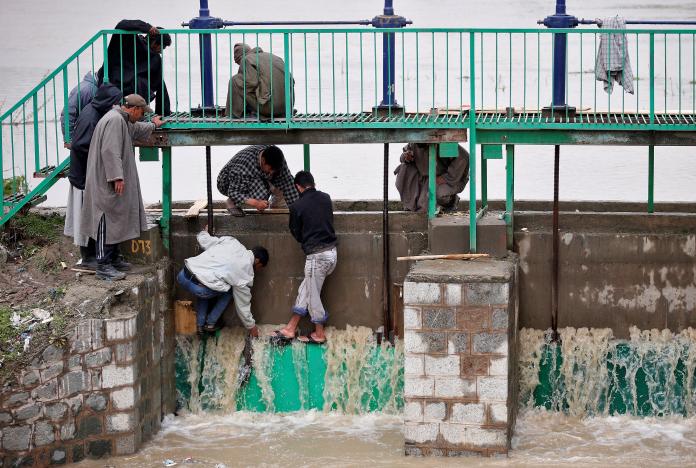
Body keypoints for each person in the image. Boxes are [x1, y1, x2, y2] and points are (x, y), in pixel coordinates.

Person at [80, 94, 164, 280]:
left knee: (117, 220)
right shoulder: (115, 121)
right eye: (141, 113)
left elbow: (135, 129)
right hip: (106, 181)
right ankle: (103, 265)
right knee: (107, 220)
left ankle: (114, 259)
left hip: (108, 179)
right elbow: (110, 151)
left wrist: (154, 125)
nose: (141, 117)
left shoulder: (121, 119)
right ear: (133, 109)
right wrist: (116, 177)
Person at [273, 171, 337, 345]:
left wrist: (306, 241)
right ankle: (290, 328)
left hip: (316, 258)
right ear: (313, 183)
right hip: (332, 254)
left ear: (298, 187)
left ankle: (319, 333)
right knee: (307, 290)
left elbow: (296, 232)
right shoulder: (326, 198)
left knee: (313, 295)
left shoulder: (296, 207)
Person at [63, 83, 123, 270]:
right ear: (108, 102)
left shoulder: (95, 112)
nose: (117, 106)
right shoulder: (91, 118)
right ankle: (88, 257)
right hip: (83, 177)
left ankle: (96, 256)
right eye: (115, 103)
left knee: (90, 216)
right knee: (86, 217)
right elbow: (81, 146)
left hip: (87, 175)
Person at [177, 228, 268, 336]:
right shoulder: (246, 273)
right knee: (229, 290)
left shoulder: (232, 242)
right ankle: (210, 323)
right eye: (259, 267)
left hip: (183, 275)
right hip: (200, 288)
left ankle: (200, 326)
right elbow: (242, 305)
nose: (257, 270)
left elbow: (205, 241)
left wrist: (203, 232)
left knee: (206, 281)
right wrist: (251, 327)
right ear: (257, 261)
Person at [96, 20, 171, 115]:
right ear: (155, 43)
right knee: (153, 81)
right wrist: (147, 27)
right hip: (123, 92)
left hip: (110, 87)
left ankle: (161, 111)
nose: (161, 51)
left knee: (153, 81)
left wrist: (146, 28)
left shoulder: (132, 41)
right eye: (162, 47)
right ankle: (162, 112)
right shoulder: (153, 57)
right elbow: (122, 24)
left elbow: (122, 24)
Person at [216, 145, 299, 217]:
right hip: (227, 183)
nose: (272, 172)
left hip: (255, 176)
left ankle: (276, 209)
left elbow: (289, 184)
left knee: (282, 181)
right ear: (263, 161)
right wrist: (256, 203)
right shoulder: (243, 168)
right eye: (270, 169)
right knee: (261, 194)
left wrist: (299, 208)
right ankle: (232, 202)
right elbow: (233, 192)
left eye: (274, 170)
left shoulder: (278, 161)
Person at [394, 143, 470, 213]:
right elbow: (403, 156)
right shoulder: (415, 142)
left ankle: (451, 202)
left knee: (436, 194)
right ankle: (412, 204)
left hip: (450, 180)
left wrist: (446, 178)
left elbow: (464, 156)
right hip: (426, 178)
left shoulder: (444, 143)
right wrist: (405, 157)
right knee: (404, 168)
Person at [225, 43, 294, 119]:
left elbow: (251, 84)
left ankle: (234, 114)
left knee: (235, 80)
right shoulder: (272, 57)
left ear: (241, 57)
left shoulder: (247, 59)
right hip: (288, 106)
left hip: (271, 108)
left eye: (239, 62)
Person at [60, 71, 99, 145]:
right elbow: (68, 113)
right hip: (82, 137)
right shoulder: (86, 89)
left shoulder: (91, 87)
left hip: (85, 136)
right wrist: (69, 138)